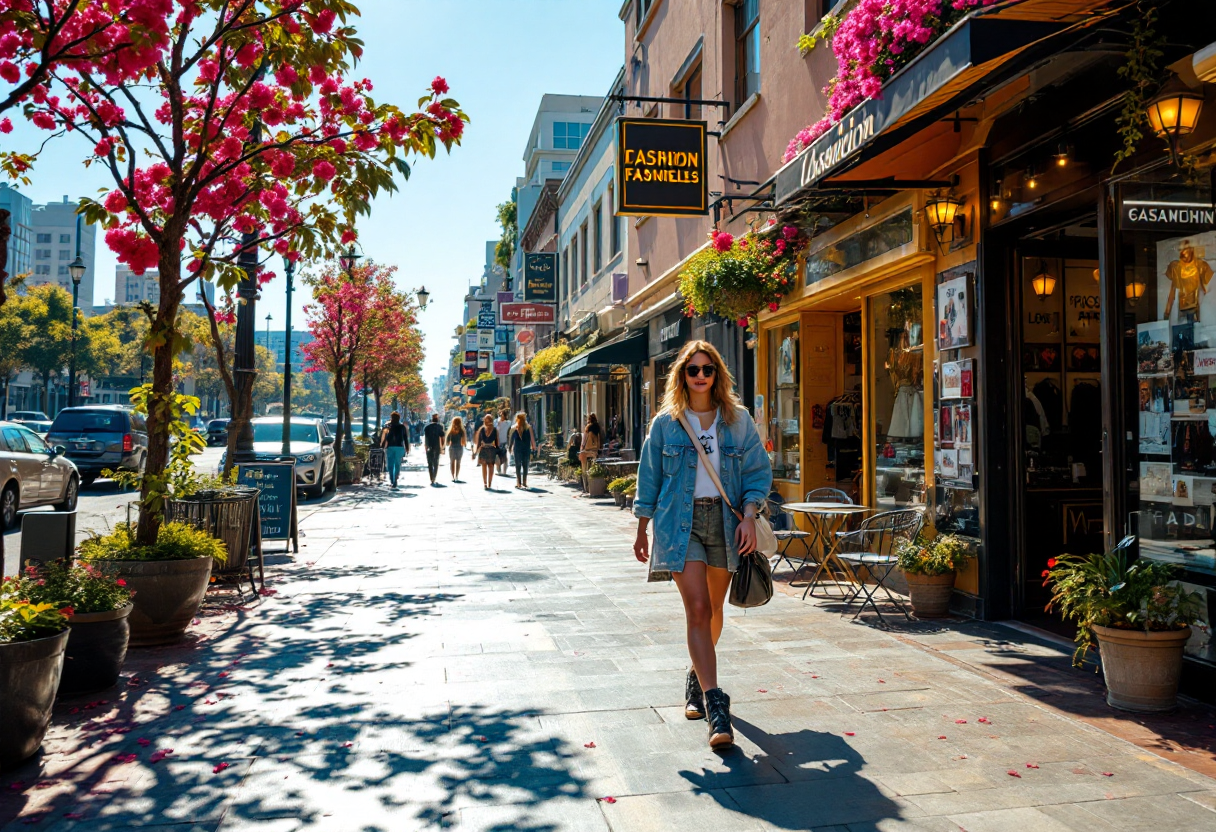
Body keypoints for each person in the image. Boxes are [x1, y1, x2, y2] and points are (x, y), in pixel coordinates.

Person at [632, 340, 772, 750]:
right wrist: (641, 527)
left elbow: (756, 472)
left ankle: (697, 676)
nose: (699, 376)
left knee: (712, 609)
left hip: (726, 522)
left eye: (707, 369)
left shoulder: (738, 420)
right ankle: (716, 705)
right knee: (695, 609)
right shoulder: (666, 424)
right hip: (680, 522)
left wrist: (748, 515)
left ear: (717, 375)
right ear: (682, 375)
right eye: (692, 370)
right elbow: (650, 476)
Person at [379, 411, 410, 488]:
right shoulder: (402, 427)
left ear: (391, 418)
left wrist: (382, 445)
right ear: (399, 418)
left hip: (390, 447)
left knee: (390, 465)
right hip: (399, 447)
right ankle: (395, 479)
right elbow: (405, 438)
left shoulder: (388, 426)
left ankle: (392, 480)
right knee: (397, 464)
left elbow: (384, 437)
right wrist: (407, 448)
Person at [508, 412, 538, 490]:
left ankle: (519, 483)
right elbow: (532, 439)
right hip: (525, 449)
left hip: (518, 449)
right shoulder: (527, 428)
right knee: (525, 465)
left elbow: (511, 440)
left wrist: (510, 447)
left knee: (518, 465)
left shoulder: (514, 428)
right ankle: (523, 482)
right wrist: (534, 448)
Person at [474, 414, 499, 490]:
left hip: (488, 449)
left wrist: (475, 452)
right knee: (487, 466)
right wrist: (475, 452)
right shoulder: (484, 429)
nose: (486, 420)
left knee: (488, 466)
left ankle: (488, 483)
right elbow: (497, 442)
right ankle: (487, 483)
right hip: (486, 449)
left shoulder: (493, 430)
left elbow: (497, 442)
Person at [579, 413, 603, 492]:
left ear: (589, 419)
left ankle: (585, 487)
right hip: (595, 451)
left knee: (584, 469)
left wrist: (581, 449)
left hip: (586, 450)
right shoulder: (598, 428)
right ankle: (592, 483)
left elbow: (584, 440)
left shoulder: (588, 428)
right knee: (593, 466)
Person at [423, 413, 446, 486]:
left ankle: (431, 478)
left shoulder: (427, 427)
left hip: (429, 446)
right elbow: (442, 437)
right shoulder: (439, 427)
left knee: (430, 463)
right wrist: (443, 447)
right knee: (435, 462)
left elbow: (426, 437)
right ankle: (434, 477)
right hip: (437, 446)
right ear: (437, 419)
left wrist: (426, 446)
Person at [446, 416, 468, 483]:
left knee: (452, 462)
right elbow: (464, 442)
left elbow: (447, 442)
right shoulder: (462, 431)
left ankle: (452, 476)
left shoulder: (450, 431)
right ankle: (456, 476)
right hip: (459, 448)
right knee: (458, 462)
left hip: (452, 448)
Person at [494, 408, 512, 477]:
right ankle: (499, 471)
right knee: (497, 457)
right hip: (496, 442)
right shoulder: (496, 422)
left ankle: (504, 472)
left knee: (505, 457)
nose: (500, 416)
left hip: (504, 442)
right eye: (500, 415)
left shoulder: (508, 423)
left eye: (501, 415)